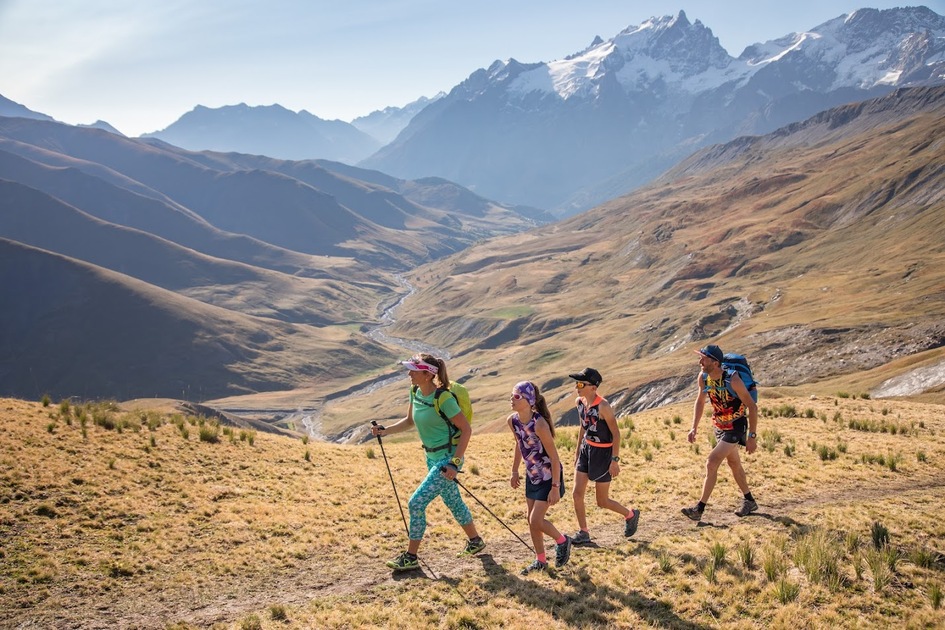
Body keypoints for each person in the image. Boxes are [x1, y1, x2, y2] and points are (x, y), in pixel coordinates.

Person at [371, 353, 485, 570]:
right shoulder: (415, 391)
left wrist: (454, 463)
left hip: (446, 460)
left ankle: (411, 557)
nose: (409, 374)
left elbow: (466, 429)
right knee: (452, 501)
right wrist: (385, 431)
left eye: (413, 370)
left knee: (416, 503)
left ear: (427, 374)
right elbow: (410, 421)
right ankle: (475, 541)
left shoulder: (444, 399)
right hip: (430, 457)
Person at [682, 344, 759, 521]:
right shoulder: (703, 377)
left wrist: (751, 436)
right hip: (719, 425)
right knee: (734, 464)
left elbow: (752, 407)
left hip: (736, 425)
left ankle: (698, 510)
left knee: (711, 462)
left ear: (715, 362)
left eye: (703, 358)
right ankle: (750, 501)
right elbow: (700, 402)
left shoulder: (733, 380)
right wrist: (694, 427)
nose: (700, 361)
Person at [568, 367, 640, 545]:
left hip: (603, 453)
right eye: (577, 383)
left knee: (602, 501)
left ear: (593, 387)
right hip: (586, 450)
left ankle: (630, 515)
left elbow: (616, 434)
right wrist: (578, 452)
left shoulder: (603, 406)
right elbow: (583, 427)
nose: (577, 387)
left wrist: (614, 461)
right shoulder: (580, 402)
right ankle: (584, 532)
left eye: (581, 384)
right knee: (577, 494)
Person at [507, 381, 571, 575]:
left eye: (517, 396)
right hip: (531, 476)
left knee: (536, 520)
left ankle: (562, 541)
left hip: (548, 477)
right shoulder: (512, 420)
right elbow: (520, 444)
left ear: (529, 401)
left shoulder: (540, 424)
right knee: (530, 519)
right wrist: (515, 471)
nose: (512, 399)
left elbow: (554, 457)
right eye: (512, 395)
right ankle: (540, 560)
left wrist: (555, 486)